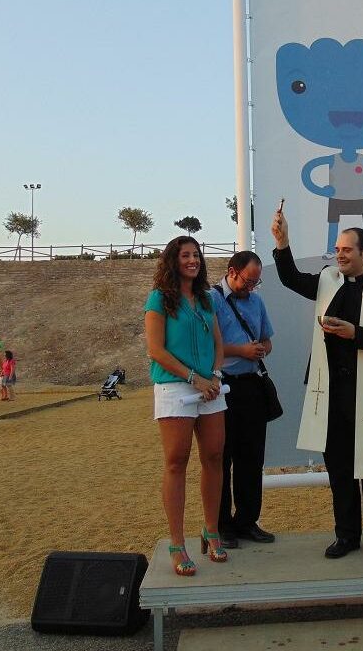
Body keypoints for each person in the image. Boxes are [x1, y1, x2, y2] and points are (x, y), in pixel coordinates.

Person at [271, 209, 363, 561]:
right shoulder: (327, 280)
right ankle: (346, 535)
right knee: (339, 468)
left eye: (347, 250)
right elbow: (291, 278)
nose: (340, 255)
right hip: (329, 392)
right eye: (338, 250)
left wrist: (356, 333)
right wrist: (282, 243)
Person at [144, 236, 227, 576]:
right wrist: (194, 378)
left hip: (211, 387)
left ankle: (211, 530)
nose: (193, 260)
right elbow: (156, 350)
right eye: (185, 255)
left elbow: (218, 343)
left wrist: (215, 375)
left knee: (215, 456)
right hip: (176, 386)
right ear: (173, 261)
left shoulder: (207, 298)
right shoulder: (159, 298)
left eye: (196, 255)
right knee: (177, 461)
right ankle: (177, 544)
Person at [210, 251, 277, 549]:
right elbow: (207, 345)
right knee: (220, 458)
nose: (251, 288)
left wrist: (261, 349)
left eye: (255, 282)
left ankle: (247, 521)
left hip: (252, 386)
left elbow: (267, 340)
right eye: (248, 281)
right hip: (222, 386)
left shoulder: (256, 302)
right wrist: (241, 351)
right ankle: (222, 525)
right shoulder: (211, 300)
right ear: (232, 271)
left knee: (252, 457)